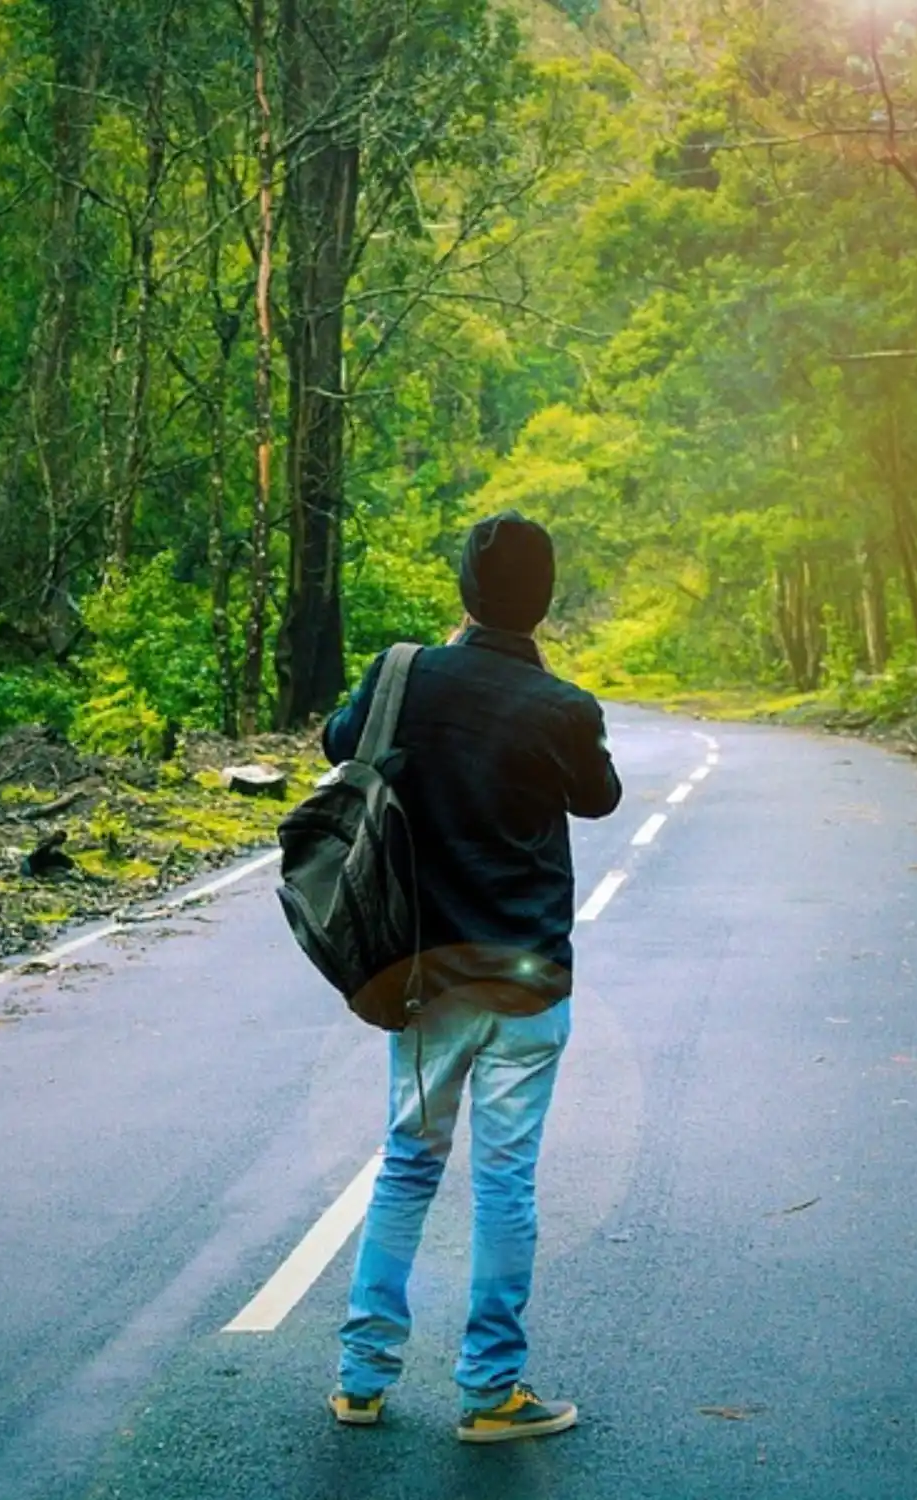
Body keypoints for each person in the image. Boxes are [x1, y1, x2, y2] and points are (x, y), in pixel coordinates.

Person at [320, 510, 621, 1444]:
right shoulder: (561, 705)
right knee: (505, 1184)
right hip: (527, 980)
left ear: (465, 591)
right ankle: (491, 1392)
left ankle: (361, 1379)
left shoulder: (403, 676)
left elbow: (338, 743)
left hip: (426, 976)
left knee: (407, 1164)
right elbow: (600, 797)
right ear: (545, 598)